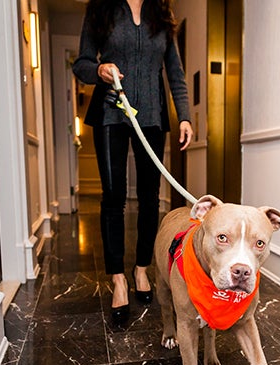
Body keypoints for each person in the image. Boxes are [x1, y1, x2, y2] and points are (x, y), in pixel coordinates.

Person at [73, 0, 193, 323]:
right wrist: (99, 69)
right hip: (111, 112)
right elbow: (81, 63)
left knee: (149, 199)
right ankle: (118, 280)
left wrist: (184, 116)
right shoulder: (101, 9)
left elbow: (176, 73)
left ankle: (142, 268)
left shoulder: (162, 14)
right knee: (113, 197)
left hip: (152, 117)